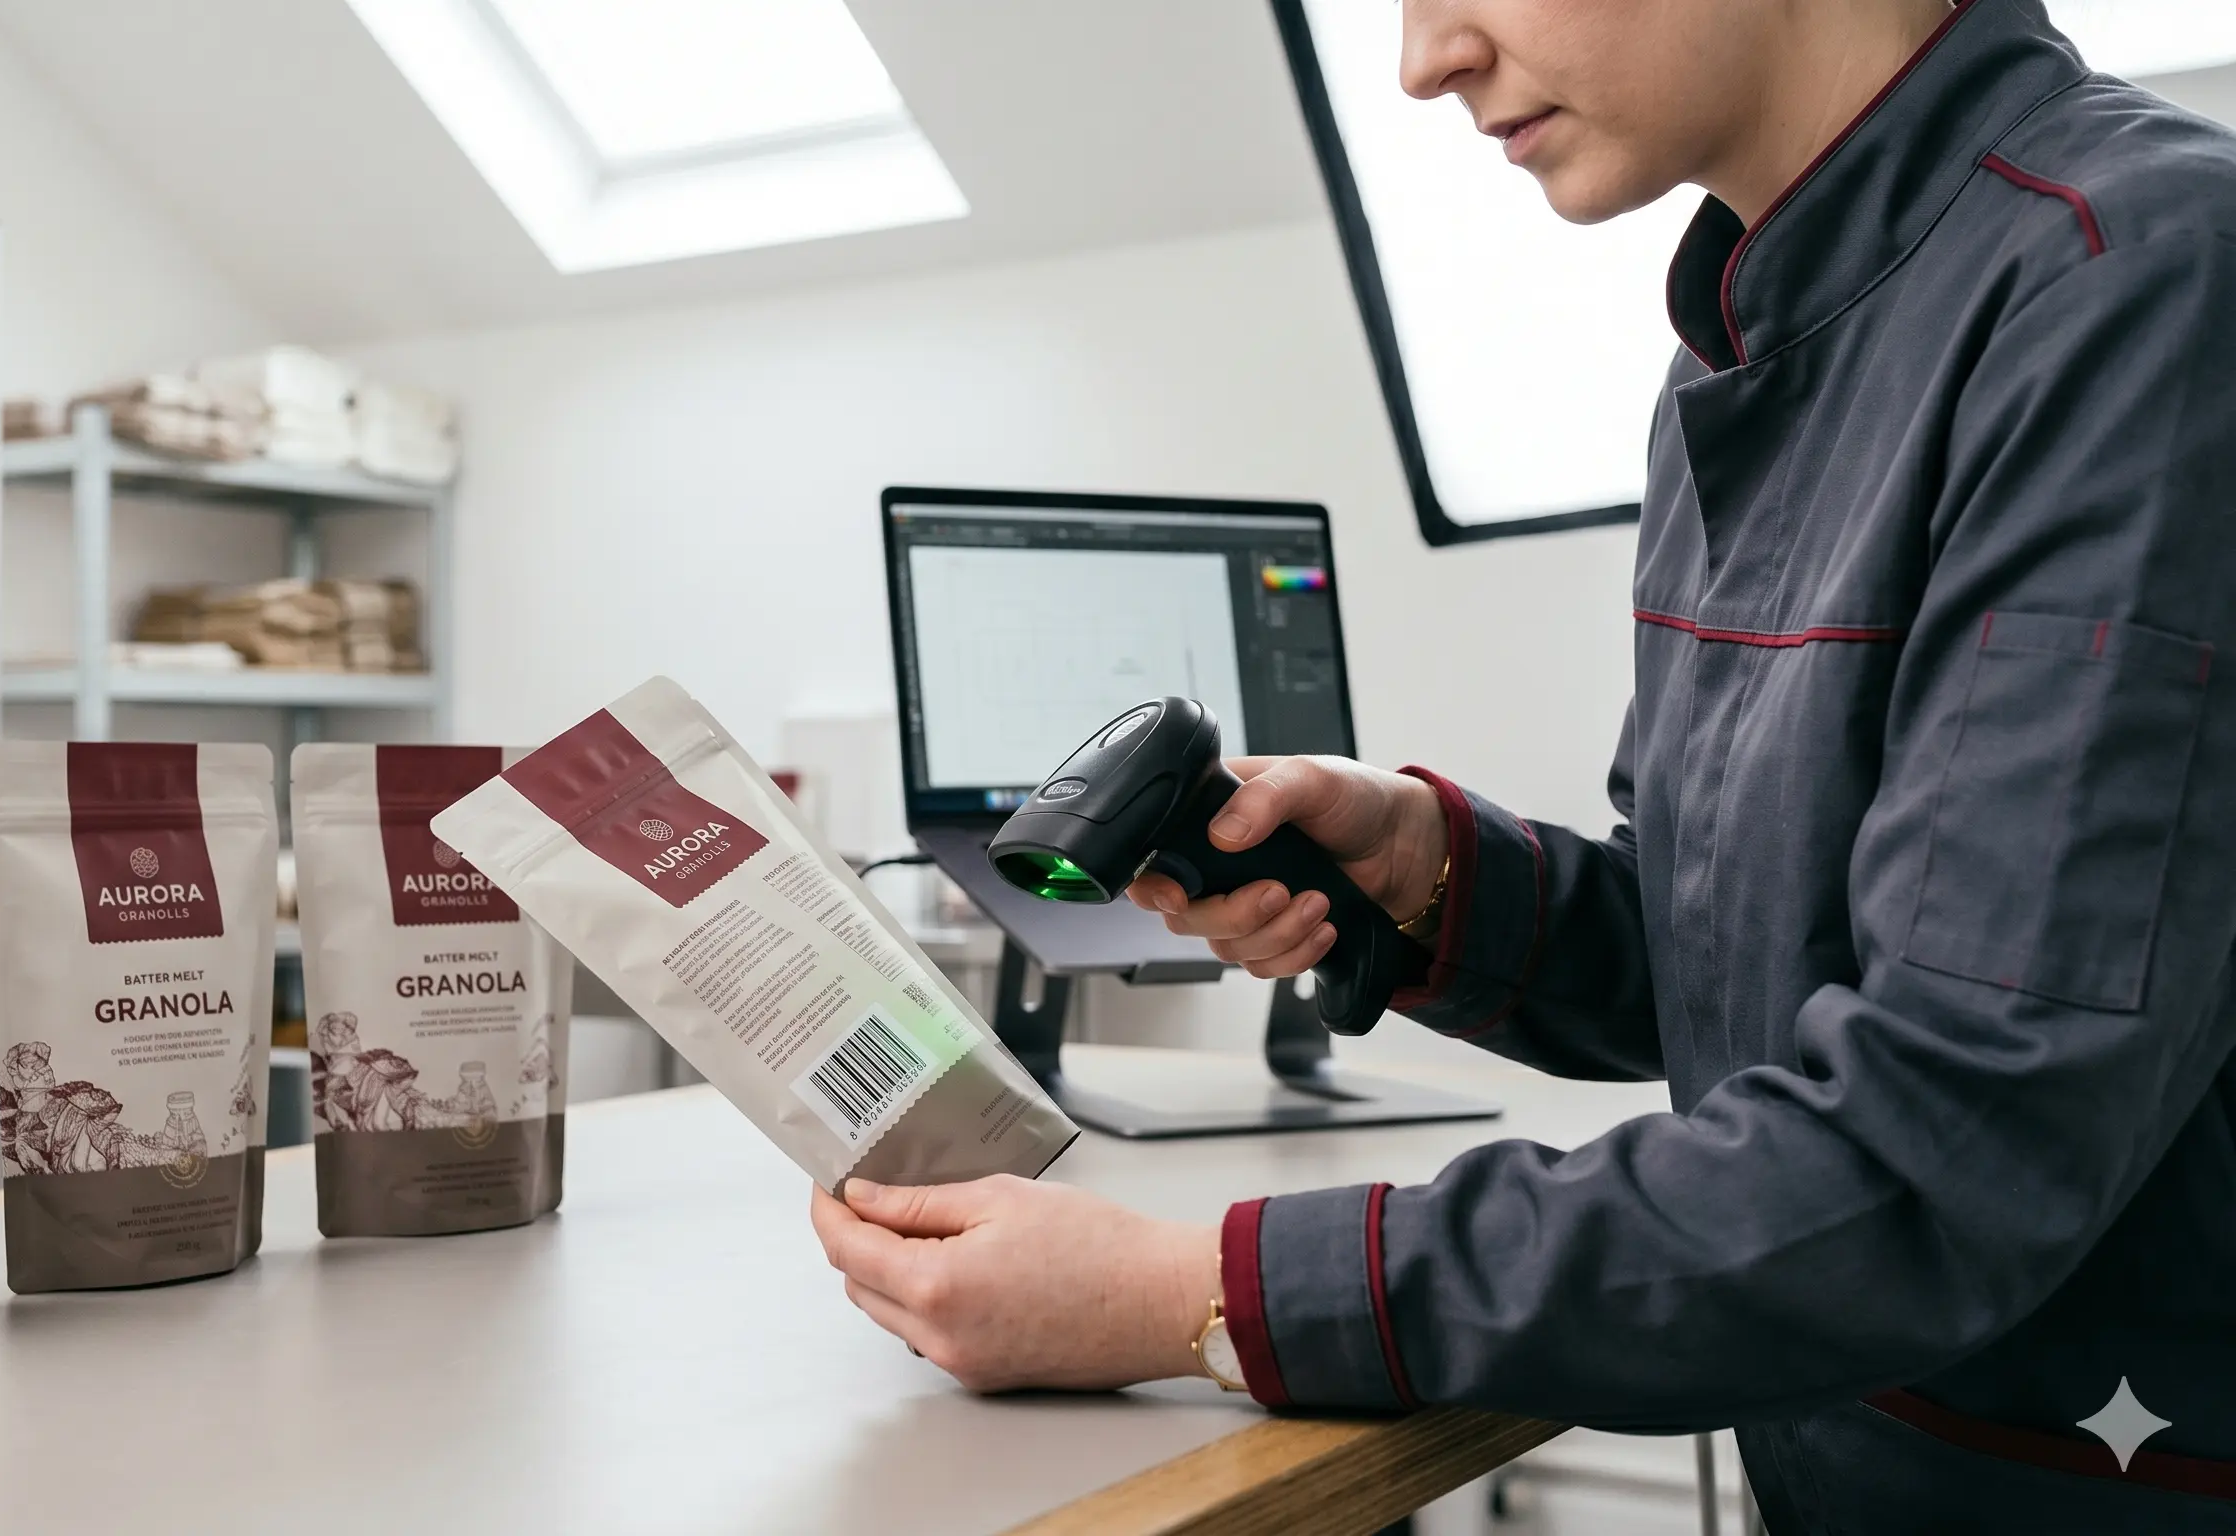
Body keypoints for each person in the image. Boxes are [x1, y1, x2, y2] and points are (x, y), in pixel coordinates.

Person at [809, 0, 2236, 1527]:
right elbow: (1747, 962)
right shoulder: (1736, 360)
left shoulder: (2135, 279)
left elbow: (1949, 1146)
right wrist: (1421, 869)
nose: (1426, 60)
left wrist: (1200, 1295)